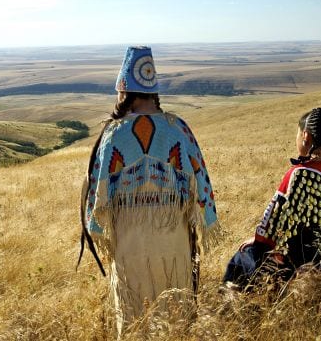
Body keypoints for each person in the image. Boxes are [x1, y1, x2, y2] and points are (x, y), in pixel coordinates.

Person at [77, 46, 219, 335]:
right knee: (174, 318)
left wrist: (98, 227)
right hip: (173, 241)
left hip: (129, 242)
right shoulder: (178, 129)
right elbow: (200, 182)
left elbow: (97, 195)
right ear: (153, 90)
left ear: (124, 90)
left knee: (133, 319)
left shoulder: (114, 133)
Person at [222, 107, 321, 288]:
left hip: (305, 257)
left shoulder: (298, 175)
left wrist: (258, 241)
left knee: (242, 258)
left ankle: (234, 300)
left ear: (306, 136)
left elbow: (276, 219)